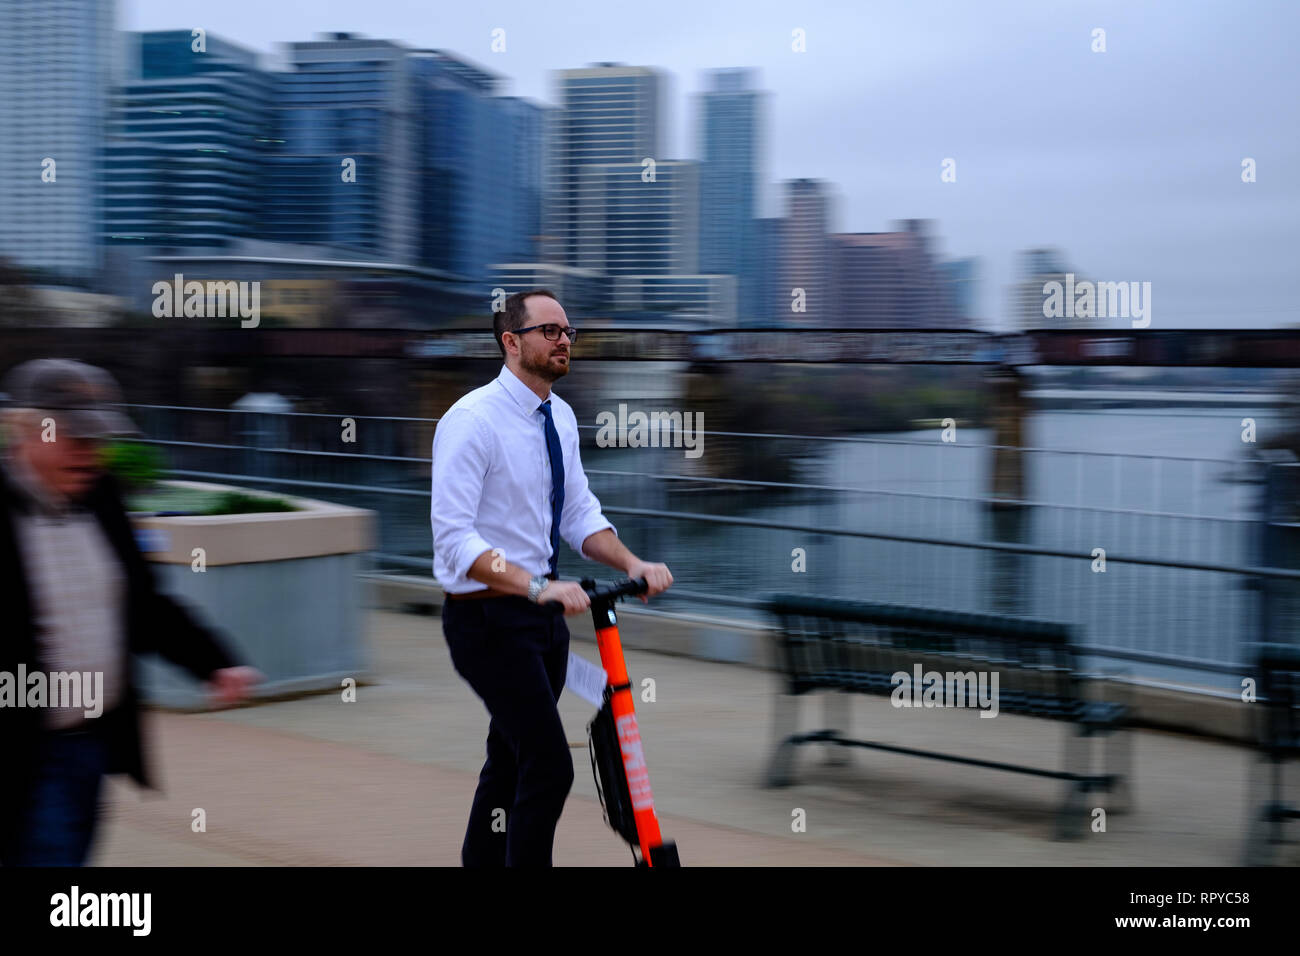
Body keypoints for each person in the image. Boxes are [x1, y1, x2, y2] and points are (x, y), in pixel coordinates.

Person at [431, 289, 673, 867]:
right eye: (549, 330)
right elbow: (455, 541)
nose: (564, 340)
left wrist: (632, 564)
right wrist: (536, 586)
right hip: (486, 620)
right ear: (511, 342)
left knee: (510, 758)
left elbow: (577, 516)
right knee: (549, 765)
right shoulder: (471, 422)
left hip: (544, 620)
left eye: (568, 331)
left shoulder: (558, 416)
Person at [0, 358, 260, 866]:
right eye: (75, 438)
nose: (91, 454)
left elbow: (142, 604)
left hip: (91, 743)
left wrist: (213, 661)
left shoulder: (103, 498)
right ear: (24, 428)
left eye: (99, 440)